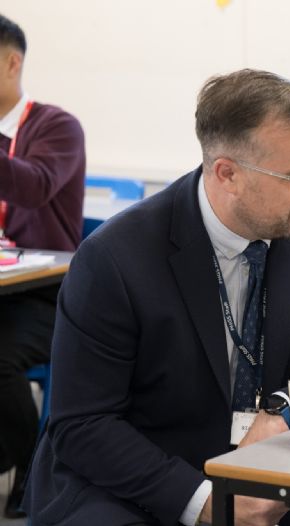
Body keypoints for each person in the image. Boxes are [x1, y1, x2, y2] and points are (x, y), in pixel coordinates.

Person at [23, 69, 290, 525]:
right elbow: (83, 425)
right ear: (228, 174)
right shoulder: (115, 258)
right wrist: (208, 503)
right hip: (138, 488)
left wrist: (288, 410)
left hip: (268, 477)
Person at [0, 13, 85, 519]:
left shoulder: (57, 127)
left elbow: (32, 187)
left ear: (12, 63)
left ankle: (30, 467)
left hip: (45, 296)